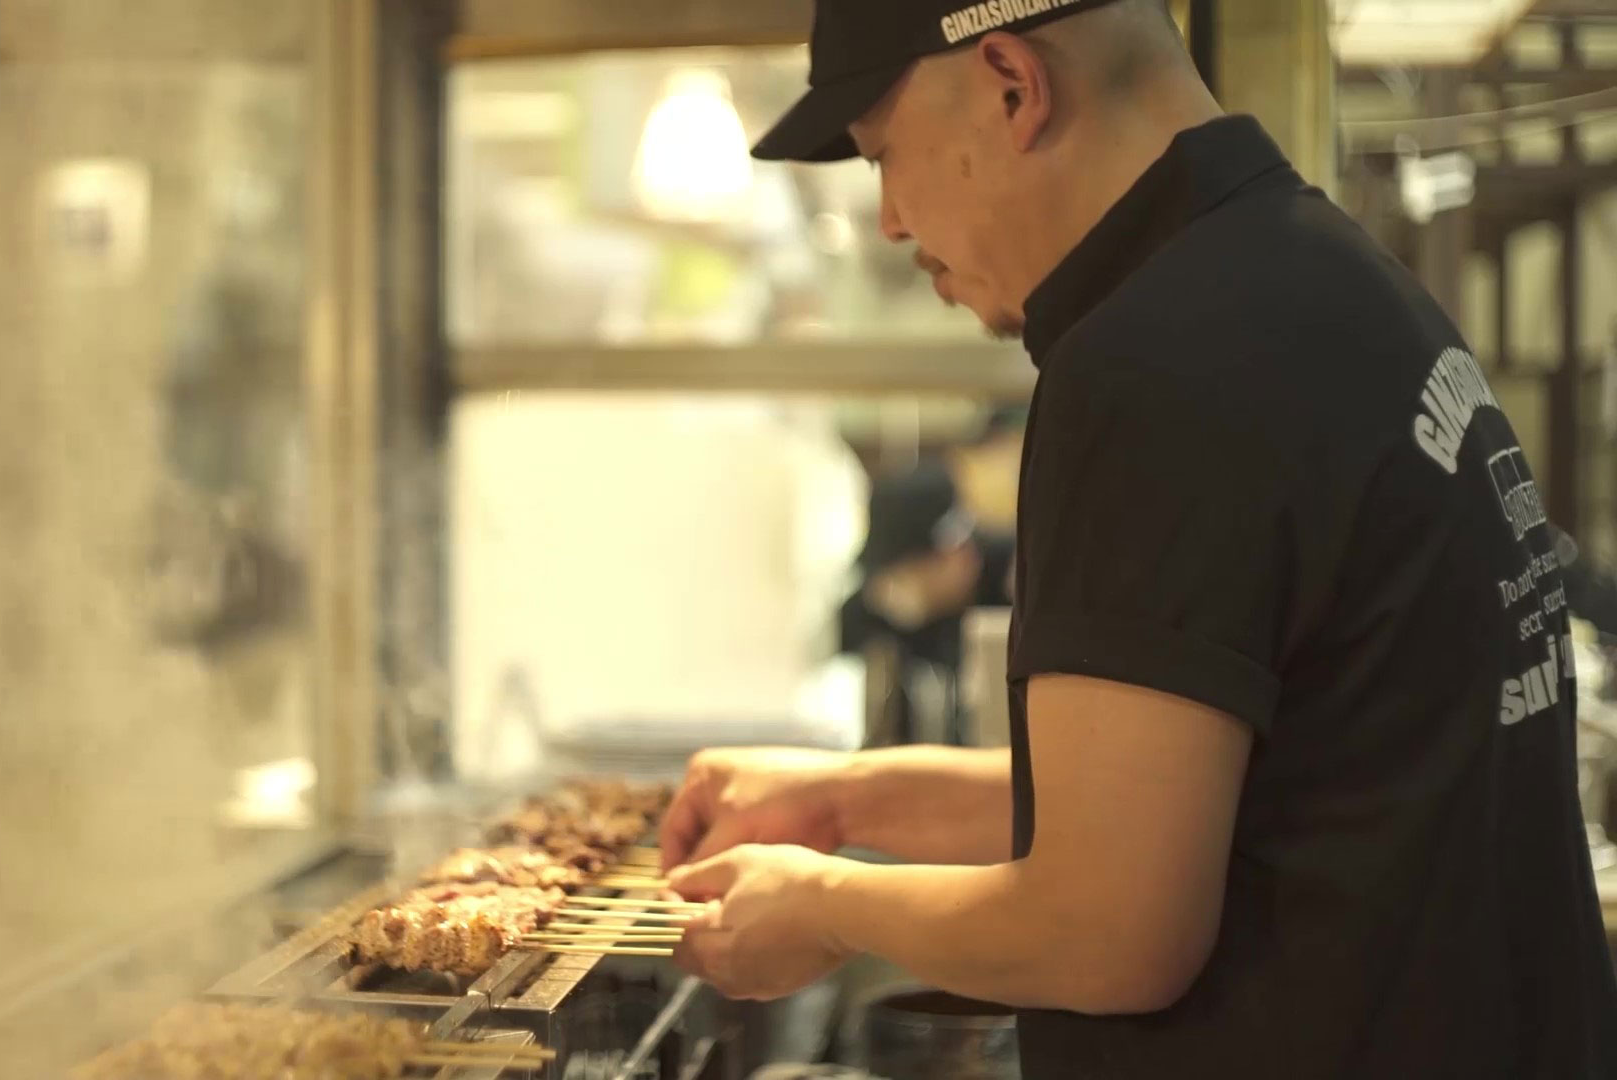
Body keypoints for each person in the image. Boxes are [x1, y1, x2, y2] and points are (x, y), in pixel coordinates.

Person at [656, 1, 1617, 1077]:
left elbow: (1107, 930)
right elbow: (1218, 796)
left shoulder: (1156, 359)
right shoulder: (1317, 280)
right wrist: (847, 798)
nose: (887, 219)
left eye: (885, 155)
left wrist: (828, 906)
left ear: (1013, 85)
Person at [839, 457, 1012, 746]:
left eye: (906, 572)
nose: (892, 588)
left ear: (954, 553)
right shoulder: (870, 613)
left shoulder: (1012, 591)